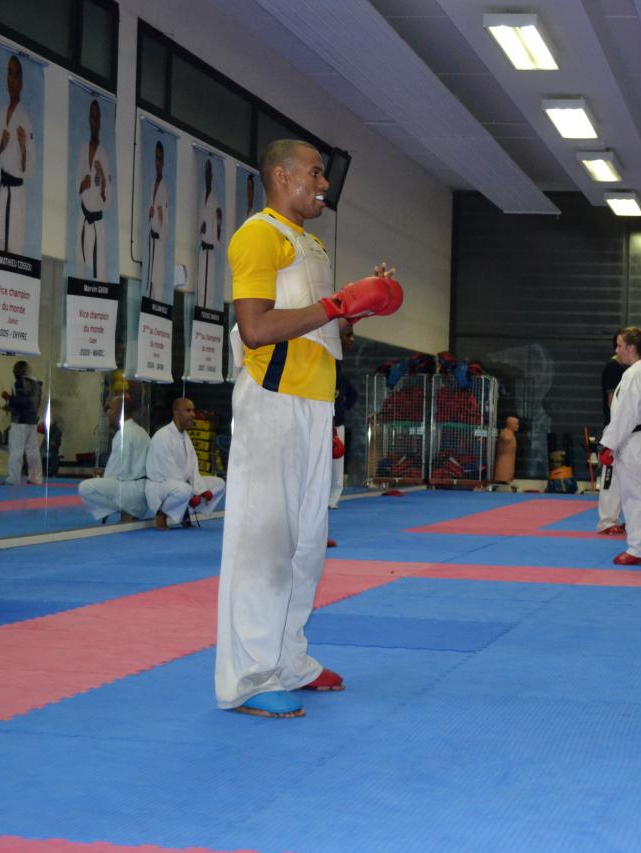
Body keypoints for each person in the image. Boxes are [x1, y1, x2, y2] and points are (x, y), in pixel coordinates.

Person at [215, 138, 402, 718]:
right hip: (272, 402)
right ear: (282, 175)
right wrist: (338, 304)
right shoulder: (257, 234)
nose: (324, 184)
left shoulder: (312, 244)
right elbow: (255, 328)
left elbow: (328, 331)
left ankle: (289, 658)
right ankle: (248, 677)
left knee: (304, 546)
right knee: (262, 543)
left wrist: (360, 307)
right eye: (316, 173)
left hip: (316, 402)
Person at [599, 327, 641, 565]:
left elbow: (625, 415)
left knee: (636, 499)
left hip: (635, 443)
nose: (617, 351)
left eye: (619, 346)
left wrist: (609, 445)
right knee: (640, 497)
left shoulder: (635, 374)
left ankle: (640, 548)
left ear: (631, 348)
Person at [146, 397, 225, 528]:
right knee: (185, 490)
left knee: (219, 484)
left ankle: (184, 509)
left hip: (183, 484)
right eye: (188, 410)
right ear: (176, 413)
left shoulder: (185, 436)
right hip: (161, 485)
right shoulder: (162, 436)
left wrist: (201, 489)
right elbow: (169, 471)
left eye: (193, 410)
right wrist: (193, 492)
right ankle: (162, 513)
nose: (193, 414)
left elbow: (193, 468)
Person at [78, 396, 149, 522]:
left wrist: (103, 476)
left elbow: (120, 472)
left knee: (85, 487)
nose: (107, 413)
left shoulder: (123, 434)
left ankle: (127, 511)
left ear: (119, 412)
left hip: (131, 493)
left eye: (110, 409)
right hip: (144, 492)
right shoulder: (140, 431)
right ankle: (129, 511)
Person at [0, 55, 31, 254]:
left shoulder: (25, 119)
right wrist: (2, 143)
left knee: (15, 249)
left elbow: (30, 169)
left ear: (22, 83)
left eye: (16, 75)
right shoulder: (1, 112)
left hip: (17, 193)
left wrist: (23, 147)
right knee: (0, 246)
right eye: (9, 74)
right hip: (3, 187)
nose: (12, 79)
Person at [76, 97, 112, 280]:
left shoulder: (104, 156)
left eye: (97, 117)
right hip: (82, 218)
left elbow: (108, 200)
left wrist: (103, 179)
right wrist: (84, 184)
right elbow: (77, 186)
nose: (94, 121)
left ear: (100, 122)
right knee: (79, 270)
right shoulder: (83, 150)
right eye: (92, 116)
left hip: (98, 223)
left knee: (100, 276)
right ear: (89, 120)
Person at [596, 340, 627, 535]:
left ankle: (613, 517)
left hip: (620, 427)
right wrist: (615, 428)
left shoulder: (622, 368)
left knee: (619, 476)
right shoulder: (613, 367)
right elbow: (611, 399)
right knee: (610, 476)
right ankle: (606, 521)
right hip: (614, 426)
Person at [329, 326, 358, 510]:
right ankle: (324, 497)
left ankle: (333, 498)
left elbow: (353, 396)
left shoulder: (341, 377)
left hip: (336, 423)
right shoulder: (324, 373)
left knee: (336, 464)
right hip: (323, 422)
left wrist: (341, 409)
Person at [2, 360, 42, 485]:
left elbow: (21, 401)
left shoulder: (19, 383)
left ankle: (13, 478)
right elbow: (33, 403)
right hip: (32, 420)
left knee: (16, 450)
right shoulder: (37, 384)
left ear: (18, 371)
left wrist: (9, 400)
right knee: (33, 451)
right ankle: (35, 478)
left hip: (19, 421)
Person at [145, 141, 170, 301]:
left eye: (160, 159)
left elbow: (165, 229)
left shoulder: (164, 189)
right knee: (148, 284)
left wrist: (160, 217)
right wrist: (151, 215)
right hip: (150, 240)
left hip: (159, 244)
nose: (157, 162)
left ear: (163, 162)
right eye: (156, 158)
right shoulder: (151, 185)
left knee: (157, 285)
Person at [197, 159, 223, 307]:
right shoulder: (202, 197)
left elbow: (218, 239)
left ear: (212, 176)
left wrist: (218, 225)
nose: (207, 176)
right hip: (202, 250)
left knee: (209, 290)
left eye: (209, 172)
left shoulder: (215, 203)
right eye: (205, 172)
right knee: (201, 288)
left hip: (210, 251)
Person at [494, 415, 520, 483]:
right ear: (511, 425)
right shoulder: (507, 433)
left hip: (508, 461)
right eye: (516, 424)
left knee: (507, 473)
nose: (518, 426)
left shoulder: (510, 433)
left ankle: (504, 479)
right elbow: (506, 438)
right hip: (504, 462)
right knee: (504, 473)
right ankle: (502, 479)